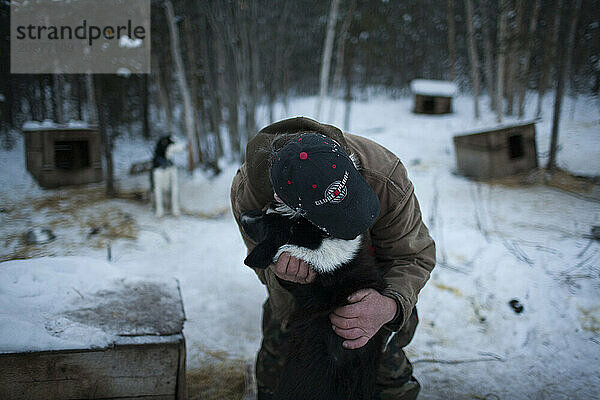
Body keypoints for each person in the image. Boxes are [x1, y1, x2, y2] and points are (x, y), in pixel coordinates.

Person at [230, 117, 436, 400]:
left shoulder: (384, 175)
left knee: (384, 376)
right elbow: (262, 264)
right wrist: (281, 275)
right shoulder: (250, 192)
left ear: (350, 163)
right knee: (279, 376)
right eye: (336, 221)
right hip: (303, 296)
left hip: (375, 283)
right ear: (281, 200)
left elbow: (413, 255)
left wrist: (390, 306)